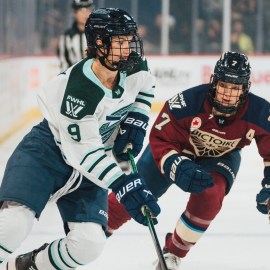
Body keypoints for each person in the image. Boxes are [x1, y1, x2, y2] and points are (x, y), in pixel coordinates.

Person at [0, 8, 160, 270]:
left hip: (88, 168)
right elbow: (85, 154)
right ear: (99, 44)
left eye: (130, 39)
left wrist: (138, 119)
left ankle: (24, 266)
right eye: (121, 41)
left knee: (89, 244)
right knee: (14, 225)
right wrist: (123, 184)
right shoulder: (79, 90)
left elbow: (146, 86)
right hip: (46, 154)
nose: (129, 47)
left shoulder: (133, 66)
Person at [107, 51, 270, 270]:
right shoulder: (187, 102)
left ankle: (174, 252)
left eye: (235, 88)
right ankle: (90, 230)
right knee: (133, 195)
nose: (228, 94)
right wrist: (175, 165)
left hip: (221, 157)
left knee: (211, 195)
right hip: (176, 150)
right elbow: (161, 138)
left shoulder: (261, 112)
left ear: (245, 89)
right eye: (224, 85)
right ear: (214, 83)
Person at [57, 0, 94, 72]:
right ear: (75, 13)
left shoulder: (98, 34)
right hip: (74, 78)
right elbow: (64, 63)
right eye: (82, 10)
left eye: (88, 10)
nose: (85, 14)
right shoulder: (66, 37)